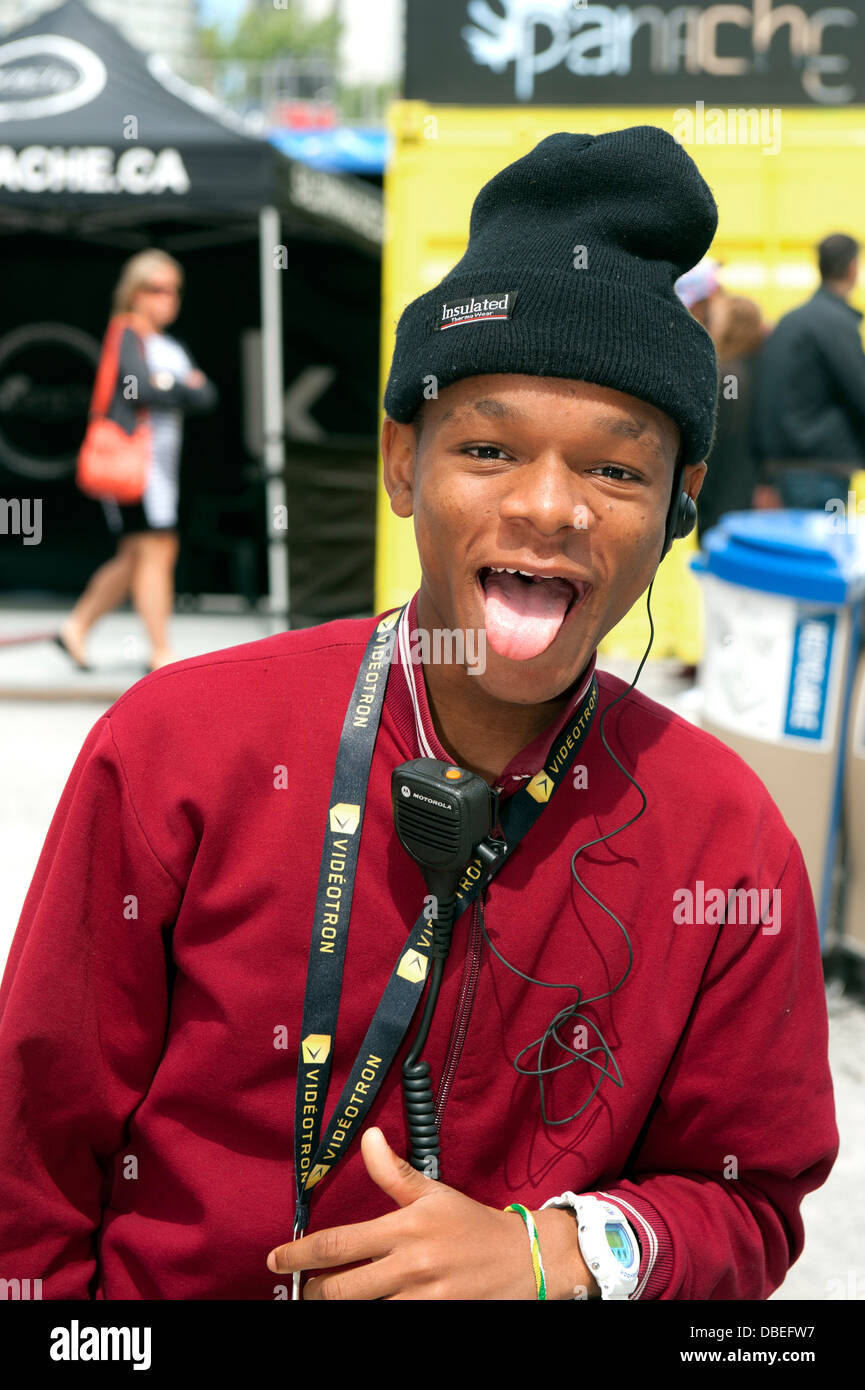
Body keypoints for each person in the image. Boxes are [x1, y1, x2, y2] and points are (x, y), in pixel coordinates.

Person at [0, 127, 836, 1302]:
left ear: (680, 505)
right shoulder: (179, 745)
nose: (549, 508)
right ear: (402, 463)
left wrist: (561, 1252)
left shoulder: (726, 834)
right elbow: (28, 1159)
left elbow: (747, 1202)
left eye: (617, 470)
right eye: (487, 448)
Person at [56, 250, 216, 674]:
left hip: (160, 468)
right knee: (156, 548)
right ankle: (161, 649)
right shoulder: (126, 331)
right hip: (133, 464)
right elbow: (136, 388)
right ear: (135, 292)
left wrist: (170, 384)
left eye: (174, 290)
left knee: (134, 555)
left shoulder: (170, 345)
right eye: (157, 289)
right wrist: (179, 385)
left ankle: (77, 625)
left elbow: (207, 396)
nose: (167, 298)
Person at [754, 233, 865, 511]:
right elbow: (859, 391)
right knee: (822, 550)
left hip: (786, 465)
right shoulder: (837, 323)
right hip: (821, 468)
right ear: (852, 269)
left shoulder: (790, 321)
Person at [696, 294, 768, 541]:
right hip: (747, 493)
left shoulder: (728, 375)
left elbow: (719, 441)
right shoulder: (758, 368)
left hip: (724, 496)